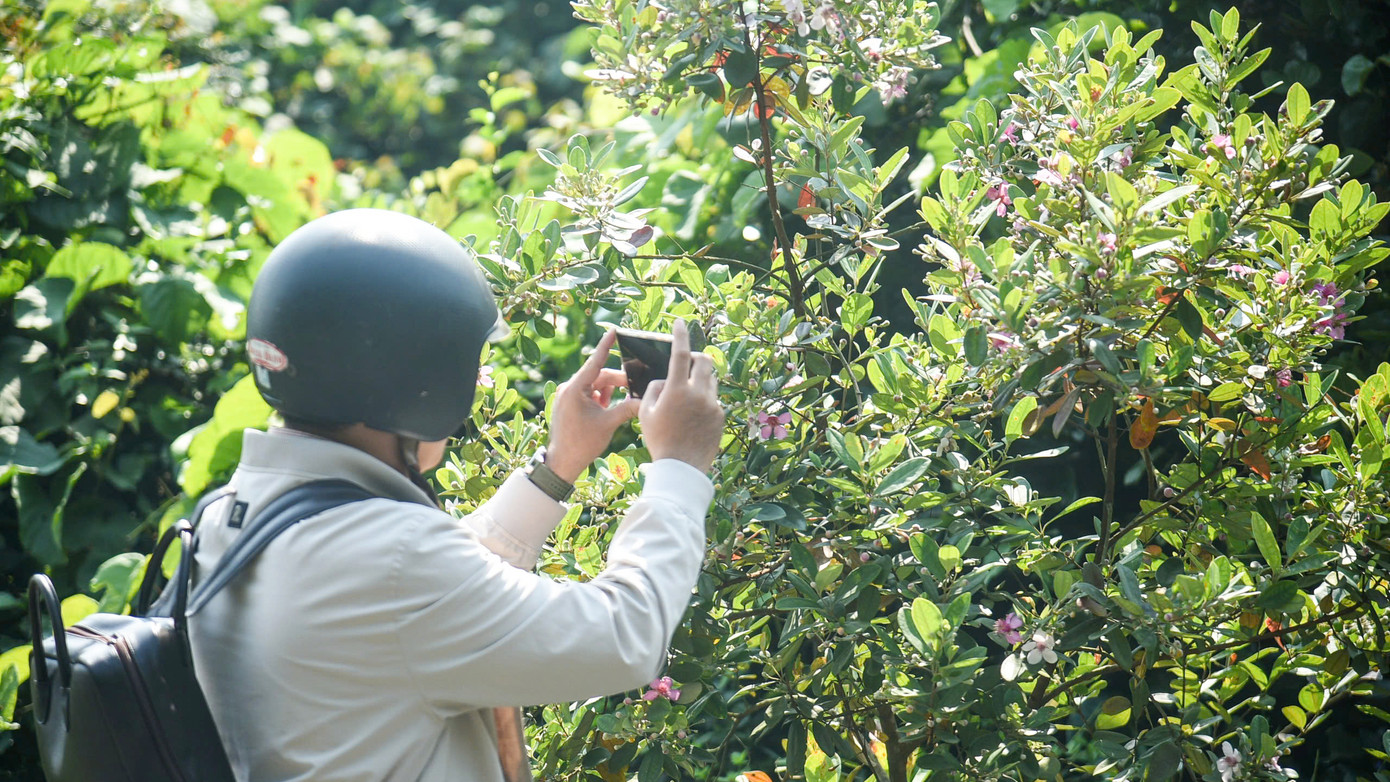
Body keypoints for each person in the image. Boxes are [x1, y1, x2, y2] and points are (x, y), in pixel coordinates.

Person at [185, 208, 725, 782]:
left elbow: (432, 603)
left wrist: (558, 464)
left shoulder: (231, 515)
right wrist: (679, 466)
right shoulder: (389, 559)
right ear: (425, 382)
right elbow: (624, 635)